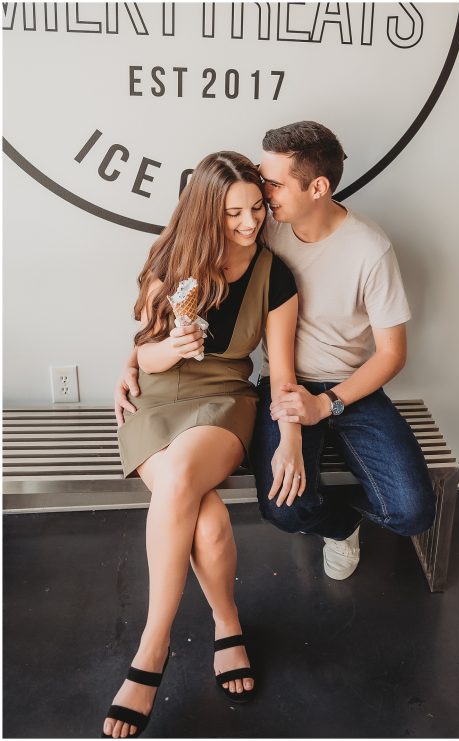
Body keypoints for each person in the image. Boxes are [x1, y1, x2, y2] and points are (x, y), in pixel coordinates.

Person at [116, 121, 435, 583]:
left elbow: (391, 355)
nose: (262, 198)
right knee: (284, 507)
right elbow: (174, 283)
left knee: (412, 513)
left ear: (318, 187)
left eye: (274, 183)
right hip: (283, 386)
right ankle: (339, 525)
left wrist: (326, 403)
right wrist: (132, 362)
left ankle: (349, 513)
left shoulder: (371, 249)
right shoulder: (263, 229)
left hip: (350, 390)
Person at [104, 152, 301, 738]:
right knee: (208, 520)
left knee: (183, 474)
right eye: (233, 213)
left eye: (256, 208)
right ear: (204, 213)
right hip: (156, 401)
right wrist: (172, 345)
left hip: (224, 402)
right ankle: (226, 622)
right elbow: (145, 350)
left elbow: (281, 371)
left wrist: (289, 433)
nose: (248, 223)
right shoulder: (172, 261)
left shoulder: (276, 275)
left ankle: (152, 648)